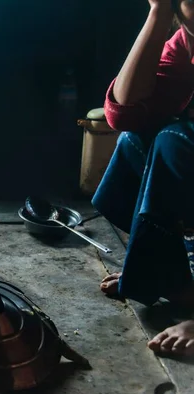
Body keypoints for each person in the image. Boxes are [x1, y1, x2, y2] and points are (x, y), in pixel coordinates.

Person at [93, 0, 194, 356]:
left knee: (174, 142)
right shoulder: (186, 42)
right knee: (135, 142)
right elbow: (124, 112)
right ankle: (168, 277)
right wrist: (158, 12)